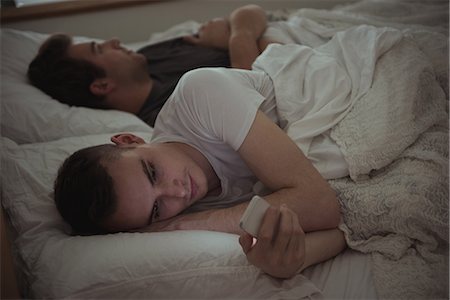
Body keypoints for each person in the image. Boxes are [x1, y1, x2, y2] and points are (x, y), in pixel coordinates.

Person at [53, 64, 347, 279]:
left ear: (130, 140)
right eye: (157, 208)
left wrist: (180, 225)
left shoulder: (200, 94)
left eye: (152, 172)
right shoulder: (191, 208)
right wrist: (290, 263)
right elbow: (342, 229)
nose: (178, 192)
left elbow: (320, 204)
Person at [27, 4, 278, 126]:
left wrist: (239, 36)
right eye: (99, 48)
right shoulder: (169, 116)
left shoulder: (149, 55)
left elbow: (248, 11)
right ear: (102, 85)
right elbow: (257, 101)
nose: (113, 40)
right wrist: (242, 37)